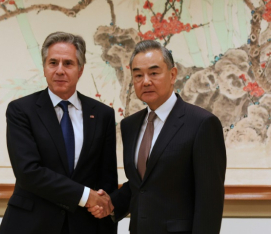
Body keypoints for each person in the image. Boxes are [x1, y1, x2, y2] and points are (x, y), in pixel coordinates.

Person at [89, 40, 226, 234]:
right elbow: (142, 185)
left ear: (172, 75)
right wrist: (110, 204)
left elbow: (210, 200)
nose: (145, 81)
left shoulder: (202, 124)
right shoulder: (130, 125)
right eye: (138, 75)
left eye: (154, 73)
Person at [0, 32, 118, 234]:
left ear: (80, 70)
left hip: (85, 226)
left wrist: (105, 212)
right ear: (44, 68)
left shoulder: (102, 114)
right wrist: (85, 196)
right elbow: (28, 172)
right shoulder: (21, 110)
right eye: (53, 63)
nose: (60, 70)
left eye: (68, 63)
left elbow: (106, 179)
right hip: (31, 224)